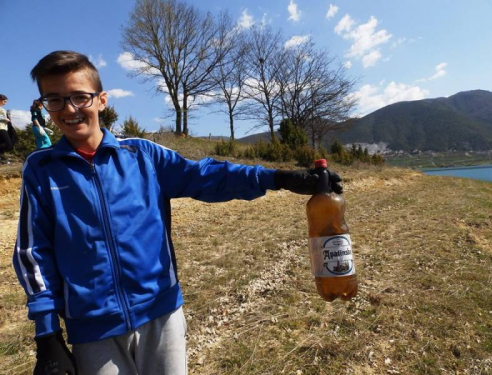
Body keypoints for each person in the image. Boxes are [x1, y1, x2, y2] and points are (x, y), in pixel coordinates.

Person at [12, 51, 343, 375]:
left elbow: (207, 176)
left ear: (101, 100)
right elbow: (33, 252)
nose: (69, 109)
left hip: (162, 313)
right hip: (92, 330)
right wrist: (47, 334)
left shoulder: (143, 155)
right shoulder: (41, 169)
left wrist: (277, 177)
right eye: (54, 99)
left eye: (79, 97)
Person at [0, 94, 14, 163]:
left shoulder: (2, 109)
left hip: (4, 127)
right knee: (8, 144)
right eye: (4, 101)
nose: (5, 103)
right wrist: (5, 119)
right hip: (1, 127)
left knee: (2, 143)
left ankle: (2, 159)